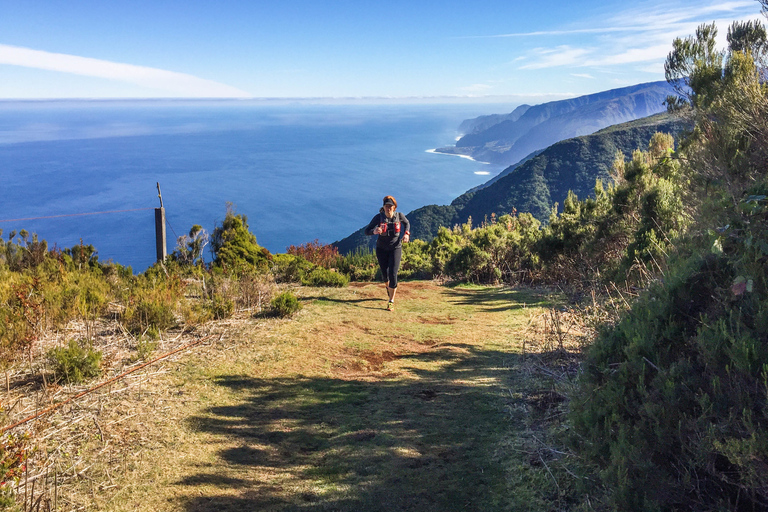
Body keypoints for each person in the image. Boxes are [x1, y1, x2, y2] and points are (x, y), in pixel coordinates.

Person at [364, 195, 410, 311]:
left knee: (393, 274)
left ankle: (391, 301)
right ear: (383, 207)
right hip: (381, 249)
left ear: (394, 207)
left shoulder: (399, 216)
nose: (388, 208)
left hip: (396, 248)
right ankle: (388, 287)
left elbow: (407, 223)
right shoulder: (378, 218)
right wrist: (374, 231)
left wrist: (406, 234)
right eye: (386, 206)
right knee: (385, 274)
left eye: (390, 206)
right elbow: (366, 231)